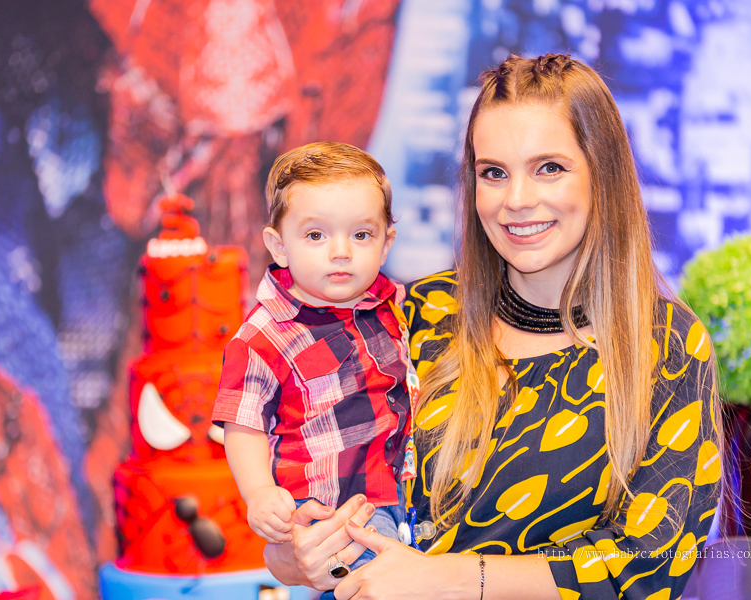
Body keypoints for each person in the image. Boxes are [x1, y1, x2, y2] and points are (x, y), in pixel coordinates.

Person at [263, 54, 724, 600]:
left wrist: (455, 579)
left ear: (603, 175)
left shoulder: (665, 345)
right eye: (494, 173)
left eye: (549, 167)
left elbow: (651, 568)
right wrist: (304, 558)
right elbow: (301, 506)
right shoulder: (418, 312)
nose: (517, 200)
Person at [212, 142, 416, 596]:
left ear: (387, 243)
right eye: (316, 236)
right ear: (278, 245)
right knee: (370, 583)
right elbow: (242, 421)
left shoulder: (394, 306)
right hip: (330, 506)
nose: (340, 251)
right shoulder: (264, 335)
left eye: (361, 235)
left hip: (401, 489)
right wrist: (259, 492)